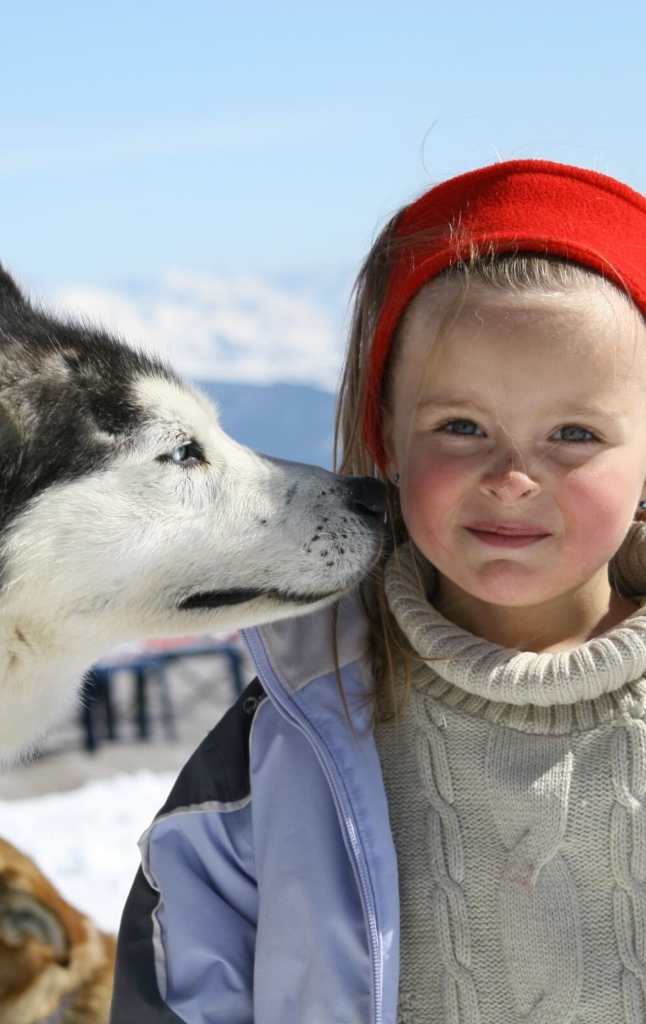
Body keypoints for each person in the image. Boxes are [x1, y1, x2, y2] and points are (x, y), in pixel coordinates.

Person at [110, 159, 646, 1024]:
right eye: (461, 427)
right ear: (385, 436)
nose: (512, 476)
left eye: (574, 433)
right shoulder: (284, 743)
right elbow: (180, 991)